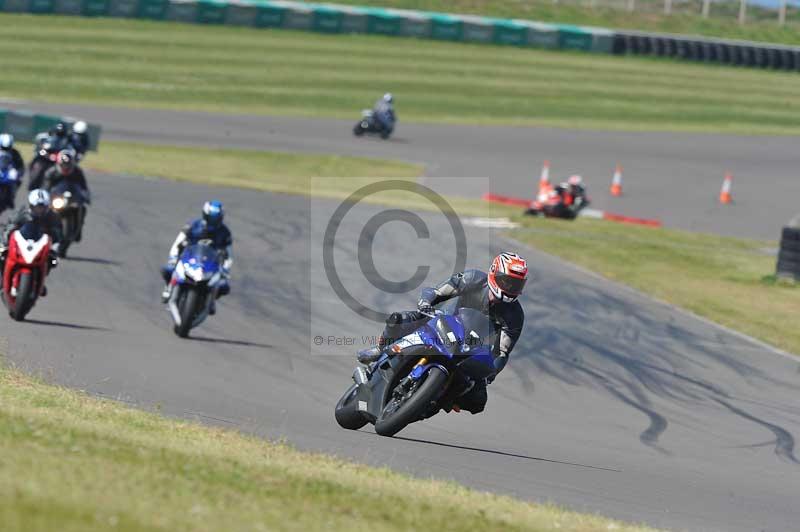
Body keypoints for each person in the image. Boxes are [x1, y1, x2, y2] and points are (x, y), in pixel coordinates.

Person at [357, 252, 528, 415]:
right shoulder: (473, 279)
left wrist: (489, 375)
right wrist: (426, 302)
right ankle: (381, 349)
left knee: (478, 400)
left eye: (516, 284)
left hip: (470, 347)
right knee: (399, 319)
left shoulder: (515, 316)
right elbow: (438, 292)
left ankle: (439, 400)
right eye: (507, 281)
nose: (510, 287)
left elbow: (502, 352)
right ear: (494, 273)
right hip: (439, 320)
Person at [160, 201, 233, 314]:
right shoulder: (193, 225)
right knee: (167, 269)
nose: (213, 221)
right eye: (211, 218)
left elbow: (229, 254)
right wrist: (173, 258)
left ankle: (211, 300)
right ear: (205, 215)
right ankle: (169, 287)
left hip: (210, 264)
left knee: (224, 286)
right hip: (189, 257)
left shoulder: (225, 233)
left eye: (216, 218)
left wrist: (226, 270)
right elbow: (178, 242)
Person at [0, 189, 61, 291]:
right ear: (31, 205)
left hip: (40, 245)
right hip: (21, 243)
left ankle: (39, 281)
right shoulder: (22, 213)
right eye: (37, 207)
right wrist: (4, 242)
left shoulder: (52, 217)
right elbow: (9, 227)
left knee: (52, 260)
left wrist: (55, 248)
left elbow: (57, 234)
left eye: (42, 207)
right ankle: (2, 277)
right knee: (2, 254)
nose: (39, 210)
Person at [43, 149, 90, 242]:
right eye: (63, 165)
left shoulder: (77, 172)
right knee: (44, 211)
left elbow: (83, 186)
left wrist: (85, 195)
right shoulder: (51, 172)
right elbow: (46, 188)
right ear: (59, 163)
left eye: (68, 165)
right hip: (57, 198)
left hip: (72, 198)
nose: (66, 167)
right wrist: (46, 197)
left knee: (83, 208)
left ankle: (79, 229)